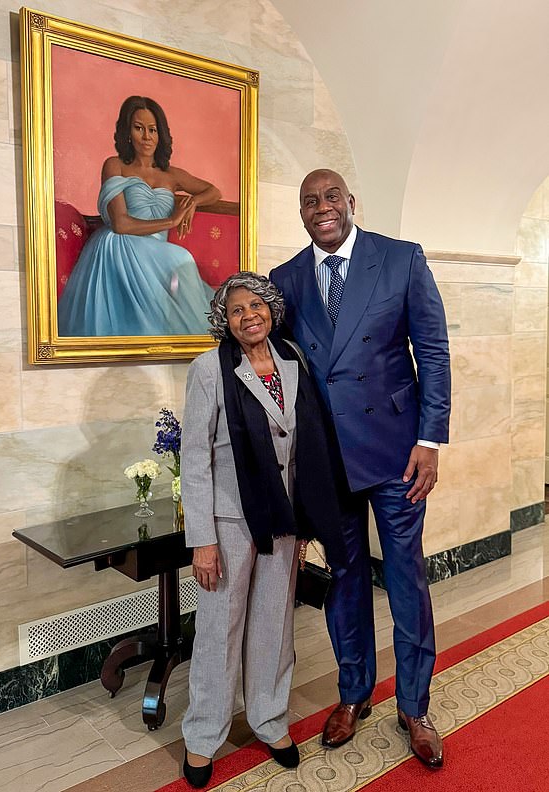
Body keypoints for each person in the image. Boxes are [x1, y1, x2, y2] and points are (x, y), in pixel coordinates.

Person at [270, 169, 451, 768]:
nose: (321, 208)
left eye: (330, 197)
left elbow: (431, 351)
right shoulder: (286, 279)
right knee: (344, 576)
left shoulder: (400, 260)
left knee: (405, 577)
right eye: (309, 202)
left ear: (351, 203)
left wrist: (430, 437)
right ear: (300, 213)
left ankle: (415, 705)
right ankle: (353, 694)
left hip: (398, 451)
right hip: (328, 459)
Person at [180, 272, 350, 788]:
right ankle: (203, 736)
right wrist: (202, 539)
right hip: (229, 522)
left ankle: (269, 721)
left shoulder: (292, 361)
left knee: (275, 625)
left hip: (283, 519)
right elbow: (194, 458)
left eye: (256, 305)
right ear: (223, 321)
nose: (248, 315)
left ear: (271, 310)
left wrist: (304, 523)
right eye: (236, 310)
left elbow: (306, 447)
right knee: (218, 629)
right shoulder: (209, 369)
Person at [58, 95, 221, 337]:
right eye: (139, 128)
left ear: (160, 134)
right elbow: (121, 224)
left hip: (155, 250)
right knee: (180, 256)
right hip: (119, 243)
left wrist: (193, 202)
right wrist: (173, 221)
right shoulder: (115, 165)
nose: (146, 136)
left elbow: (214, 191)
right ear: (127, 132)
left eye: (152, 130)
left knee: (177, 261)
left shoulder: (171, 174)